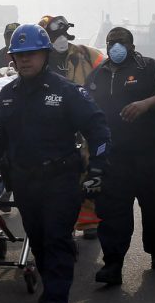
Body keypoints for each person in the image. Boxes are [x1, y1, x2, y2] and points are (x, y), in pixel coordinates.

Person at [0, 24, 110, 303]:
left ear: (45, 55)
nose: (24, 61)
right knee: (38, 240)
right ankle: (50, 286)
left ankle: (56, 301)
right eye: (19, 55)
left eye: (31, 55)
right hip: (26, 183)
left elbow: (99, 130)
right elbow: (1, 137)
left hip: (61, 180)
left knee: (57, 239)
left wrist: (97, 169)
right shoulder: (7, 96)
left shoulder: (66, 91)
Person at [86, 26, 155, 283]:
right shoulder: (97, 76)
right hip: (114, 158)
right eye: (111, 42)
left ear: (131, 45)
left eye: (121, 42)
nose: (116, 46)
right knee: (113, 212)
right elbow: (84, 110)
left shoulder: (147, 67)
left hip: (151, 154)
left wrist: (147, 104)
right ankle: (113, 265)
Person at [39, 14, 106, 239]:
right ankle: (59, 218)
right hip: (52, 121)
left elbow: (109, 72)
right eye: (54, 35)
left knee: (88, 165)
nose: (60, 39)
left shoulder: (86, 55)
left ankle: (88, 221)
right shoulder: (40, 58)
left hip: (85, 117)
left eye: (62, 33)